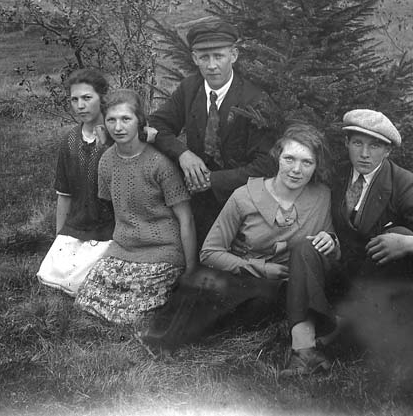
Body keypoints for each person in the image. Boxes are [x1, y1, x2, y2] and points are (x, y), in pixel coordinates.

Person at [138, 123, 337, 357]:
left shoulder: (321, 196)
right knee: (211, 289)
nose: (296, 170)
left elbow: (328, 251)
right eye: (289, 159)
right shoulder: (244, 197)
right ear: (277, 157)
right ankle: (164, 340)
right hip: (249, 280)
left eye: (307, 163)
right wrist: (261, 268)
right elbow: (210, 253)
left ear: (316, 165)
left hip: (292, 289)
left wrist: (331, 240)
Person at [282, 109, 413, 375]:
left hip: (377, 284)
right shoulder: (337, 176)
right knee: (306, 247)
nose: (364, 154)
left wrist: (408, 244)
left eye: (374, 146)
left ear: (387, 151)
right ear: (346, 143)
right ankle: (304, 351)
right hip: (340, 274)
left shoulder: (404, 184)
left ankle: (344, 332)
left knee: (400, 232)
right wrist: (330, 238)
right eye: (357, 143)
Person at [148, 18, 278, 248]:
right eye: (204, 57)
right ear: (194, 58)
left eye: (219, 56)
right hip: (197, 201)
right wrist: (183, 153)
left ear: (233, 55)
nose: (211, 65)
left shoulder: (254, 99)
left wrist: (213, 180)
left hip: (240, 200)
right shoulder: (190, 88)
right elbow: (158, 124)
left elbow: (265, 164)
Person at [74, 89, 197, 325]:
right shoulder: (106, 161)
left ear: (139, 121)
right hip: (124, 248)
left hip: (162, 250)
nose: (118, 127)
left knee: (135, 313)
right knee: (85, 298)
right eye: (111, 120)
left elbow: (186, 219)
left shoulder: (160, 163)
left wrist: (191, 270)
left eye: (125, 119)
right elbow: (114, 209)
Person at [36, 68, 114, 296]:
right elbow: (65, 195)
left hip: (110, 229)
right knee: (52, 276)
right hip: (77, 226)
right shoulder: (70, 140)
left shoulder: (117, 136)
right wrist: (59, 238)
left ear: (102, 98)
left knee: (85, 282)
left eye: (87, 98)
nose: (80, 105)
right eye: (74, 99)